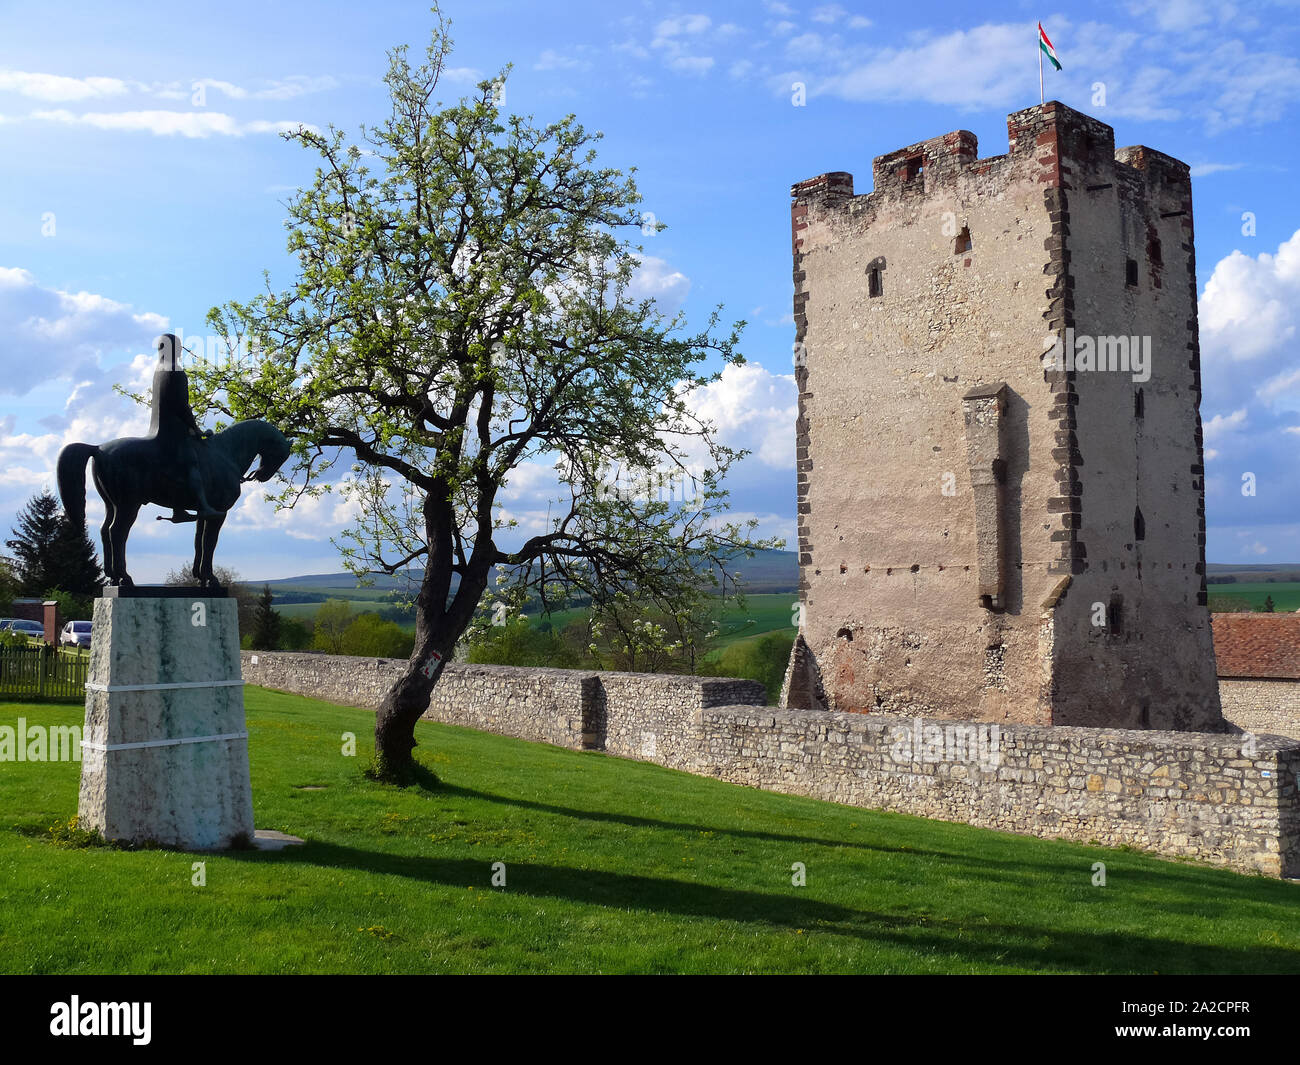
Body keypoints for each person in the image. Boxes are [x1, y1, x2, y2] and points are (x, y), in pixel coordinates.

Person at [149, 334, 219, 519]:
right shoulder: (175, 370)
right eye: (178, 347)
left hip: (156, 428)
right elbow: (182, 405)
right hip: (172, 431)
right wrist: (195, 428)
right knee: (193, 460)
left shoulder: (159, 371)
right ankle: (197, 506)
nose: (180, 350)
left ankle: (179, 507)